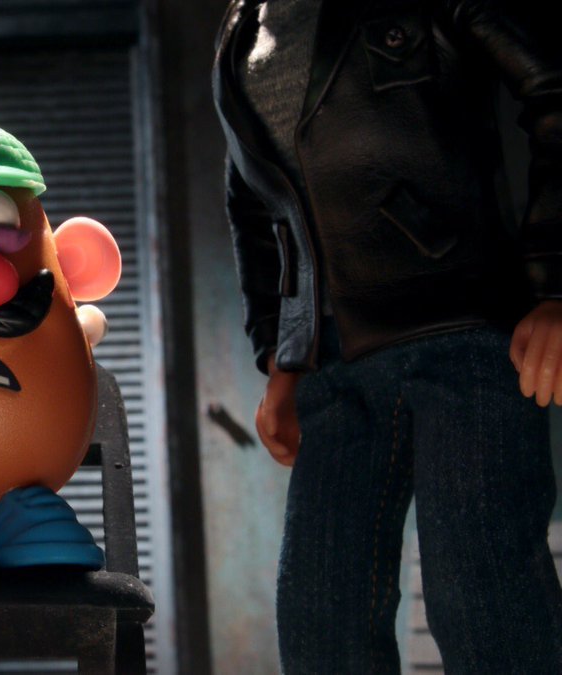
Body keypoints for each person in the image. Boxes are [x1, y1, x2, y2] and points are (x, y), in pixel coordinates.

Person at [213, 0, 562, 671]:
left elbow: (551, 85)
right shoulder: (239, 30)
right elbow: (254, 203)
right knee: (321, 620)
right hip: (333, 363)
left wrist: (555, 282)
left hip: (464, 329)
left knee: (484, 598)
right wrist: (282, 353)